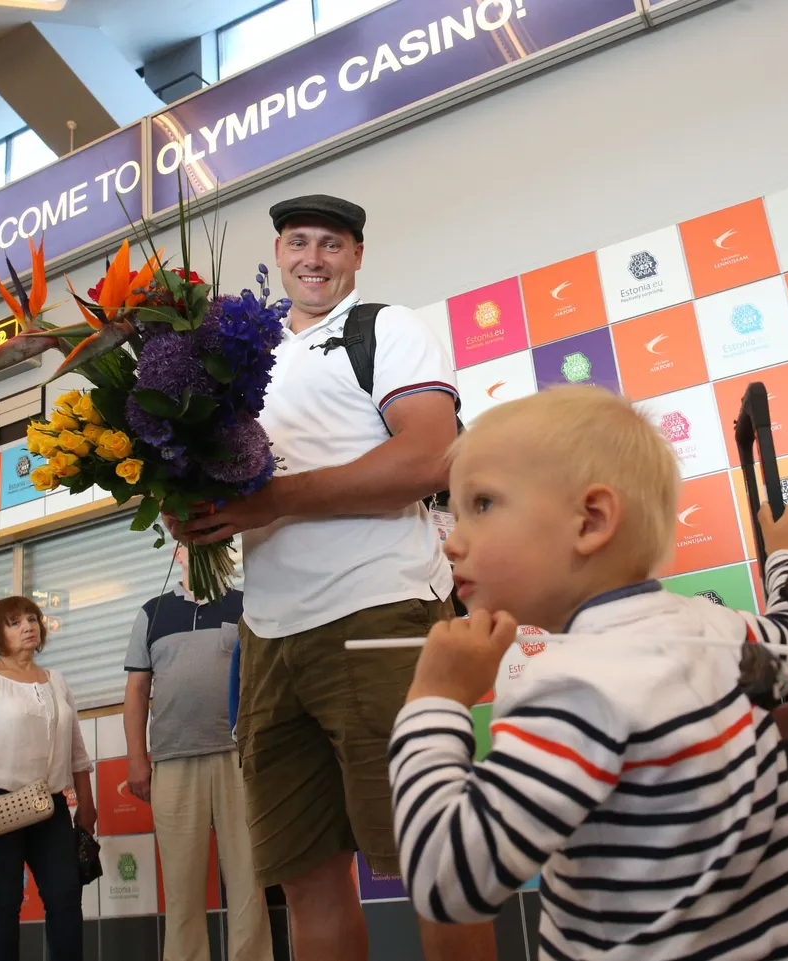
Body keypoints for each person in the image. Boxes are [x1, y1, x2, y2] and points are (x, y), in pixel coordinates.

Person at [167, 194, 494, 961]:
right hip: (269, 636)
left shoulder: (385, 327)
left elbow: (426, 459)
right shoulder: (237, 362)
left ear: (356, 257)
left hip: (378, 612)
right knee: (307, 880)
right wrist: (195, 510)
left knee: (433, 859)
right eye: (299, 242)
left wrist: (267, 501)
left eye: (333, 245)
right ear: (277, 253)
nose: (314, 257)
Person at [388, 387, 788, 961]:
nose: (454, 543)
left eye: (483, 504)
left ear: (591, 520)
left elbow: (448, 881)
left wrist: (435, 699)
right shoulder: (717, 629)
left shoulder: (575, 691)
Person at [123, 547, 273, 961]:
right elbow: (136, 692)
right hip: (172, 762)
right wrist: (138, 759)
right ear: (178, 551)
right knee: (181, 887)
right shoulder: (152, 613)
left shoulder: (247, 605)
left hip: (238, 759)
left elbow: (266, 678)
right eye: (192, 541)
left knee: (248, 881)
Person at [0, 596, 96, 961]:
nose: (28, 626)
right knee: (3, 898)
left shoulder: (57, 681)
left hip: (51, 805)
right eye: (14, 622)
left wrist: (87, 807)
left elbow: (76, 750)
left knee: (65, 895)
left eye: (32, 619)